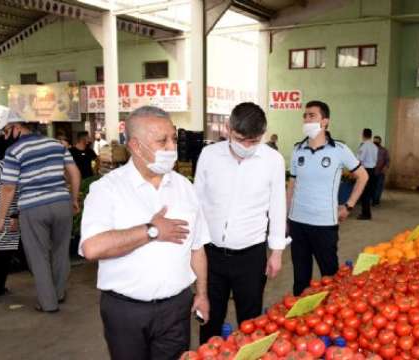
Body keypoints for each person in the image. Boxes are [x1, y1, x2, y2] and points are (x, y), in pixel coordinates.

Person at [79, 106, 210, 360]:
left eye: (173, 138)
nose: (172, 147)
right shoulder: (107, 189)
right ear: (136, 146)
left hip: (176, 308)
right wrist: (151, 231)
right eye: (163, 141)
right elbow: (92, 247)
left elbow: (197, 247)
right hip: (126, 311)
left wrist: (202, 294)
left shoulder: (184, 187)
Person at [194, 102, 287, 342]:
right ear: (228, 128)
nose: (247, 146)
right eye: (240, 139)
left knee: (250, 320)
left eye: (254, 141)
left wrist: (276, 252)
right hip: (211, 255)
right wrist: (194, 248)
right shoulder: (209, 155)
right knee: (209, 319)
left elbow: (277, 206)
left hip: (251, 256)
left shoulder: (273, 160)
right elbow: (197, 202)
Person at [0, 111, 81, 312]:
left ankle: (48, 303)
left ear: (16, 127)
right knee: (60, 251)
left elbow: (8, 188)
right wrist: (74, 199)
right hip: (61, 203)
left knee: (38, 255)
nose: (5, 136)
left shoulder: (14, 151)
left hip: (33, 207)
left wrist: (0, 218)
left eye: (6, 131)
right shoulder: (56, 144)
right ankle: (58, 293)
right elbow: (74, 173)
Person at [287, 100, 368, 296]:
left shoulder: (339, 150)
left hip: (324, 224)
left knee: (330, 277)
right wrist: (285, 218)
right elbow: (292, 186)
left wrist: (348, 206)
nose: (306, 119)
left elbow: (363, 176)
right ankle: (301, 318)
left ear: (325, 121)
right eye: (305, 116)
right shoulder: (298, 150)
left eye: (311, 116)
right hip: (298, 223)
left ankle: (332, 316)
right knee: (300, 278)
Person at [0, 133, 20, 298]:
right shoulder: (4, 167)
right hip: (2, 214)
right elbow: (9, 193)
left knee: (1, 251)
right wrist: (13, 215)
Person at [357, 128, 378, 220]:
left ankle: (366, 214)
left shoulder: (364, 146)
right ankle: (366, 212)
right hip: (372, 170)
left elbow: (359, 160)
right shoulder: (374, 146)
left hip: (365, 171)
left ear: (363, 135)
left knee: (364, 193)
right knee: (368, 192)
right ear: (371, 135)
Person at [373, 135, 390, 206]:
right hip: (372, 171)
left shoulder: (384, 150)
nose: (375, 142)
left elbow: (387, 160)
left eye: (377, 141)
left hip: (380, 171)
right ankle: (372, 199)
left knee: (379, 186)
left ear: (380, 141)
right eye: (374, 140)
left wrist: (385, 168)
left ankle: (376, 200)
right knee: (372, 186)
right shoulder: (371, 149)